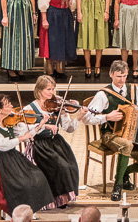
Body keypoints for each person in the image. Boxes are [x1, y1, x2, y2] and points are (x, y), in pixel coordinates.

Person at [82, 60, 138, 201]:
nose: (121, 80)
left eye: (124, 76)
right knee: (126, 145)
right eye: (118, 76)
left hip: (131, 136)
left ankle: (123, 174)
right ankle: (118, 186)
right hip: (109, 135)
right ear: (111, 74)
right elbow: (86, 118)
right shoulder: (103, 95)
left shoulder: (135, 90)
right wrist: (107, 117)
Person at [0, 93, 56, 214]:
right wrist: (21, 139)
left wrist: (41, 125)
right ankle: (14, 212)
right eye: (8, 104)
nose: (12, 106)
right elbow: (2, 145)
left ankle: (28, 210)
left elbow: (25, 133)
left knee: (37, 177)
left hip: (11, 157)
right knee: (22, 184)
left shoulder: (8, 121)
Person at [21, 75, 81, 208]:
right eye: (48, 89)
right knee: (61, 166)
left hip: (55, 143)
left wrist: (78, 117)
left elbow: (68, 128)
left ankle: (63, 199)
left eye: (53, 89)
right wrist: (44, 126)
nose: (52, 93)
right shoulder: (29, 109)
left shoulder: (57, 105)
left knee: (71, 166)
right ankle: (56, 200)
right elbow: (25, 131)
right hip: (39, 145)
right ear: (39, 90)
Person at [0, 0, 36, 81]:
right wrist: (4, 15)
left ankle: (20, 66)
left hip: (25, 7)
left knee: (25, 37)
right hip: (13, 7)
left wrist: (33, 12)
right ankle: (11, 68)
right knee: (12, 37)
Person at [76, 0, 112, 79]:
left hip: (99, 3)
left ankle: (97, 64)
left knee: (99, 34)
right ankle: (87, 65)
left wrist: (107, 10)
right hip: (86, 3)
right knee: (86, 34)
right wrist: (79, 12)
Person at [38, 0, 76, 79]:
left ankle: (60, 69)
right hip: (53, 15)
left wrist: (71, 17)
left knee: (63, 41)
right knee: (52, 42)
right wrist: (44, 20)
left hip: (65, 15)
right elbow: (43, 4)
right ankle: (50, 70)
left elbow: (72, 2)